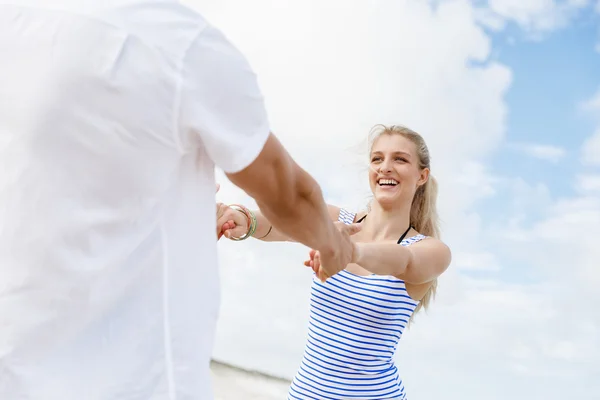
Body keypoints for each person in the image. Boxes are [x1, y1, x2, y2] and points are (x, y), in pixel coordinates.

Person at [0, 1, 358, 399]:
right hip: (133, 380)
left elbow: (64, 193)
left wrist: (187, 219)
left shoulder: (16, 24)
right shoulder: (183, 46)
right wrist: (333, 245)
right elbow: (289, 194)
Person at [217, 124, 452, 399]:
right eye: (377, 159)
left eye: (399, 159)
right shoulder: (337, 221)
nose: (385, 167)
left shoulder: (431, 251)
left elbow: (403, 261)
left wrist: (349, 251)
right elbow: (281, 223)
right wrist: (242, 219)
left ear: (422, 176)